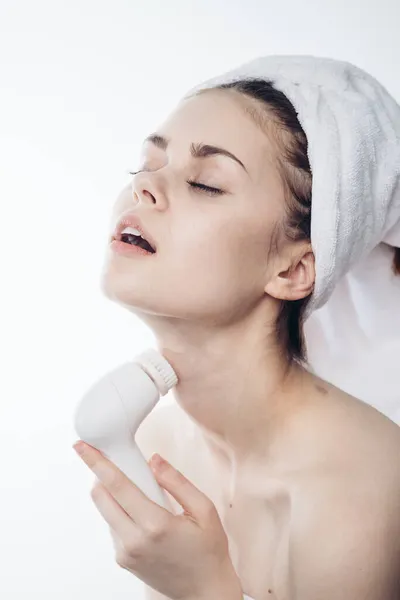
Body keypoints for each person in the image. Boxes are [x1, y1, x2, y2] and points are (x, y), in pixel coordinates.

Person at [100, 69, 400, 599]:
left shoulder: (362, 487)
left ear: (292, 270)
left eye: (205, 183)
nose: (143, 186)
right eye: (146, 166)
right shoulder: (157, 445)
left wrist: (204, 588)